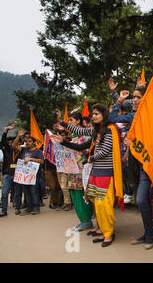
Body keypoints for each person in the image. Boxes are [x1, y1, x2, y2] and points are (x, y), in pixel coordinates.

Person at [58, 104, 123, 247]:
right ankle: (104, 231)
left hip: (106, 173)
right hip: (96, 172)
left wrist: (91, 158)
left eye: (96, 114)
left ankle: (108, 234)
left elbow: (106, 150)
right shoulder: (96, 130)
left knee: (104, 204)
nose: (93, 116)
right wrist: (62, 122)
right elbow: (79, 130)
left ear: (103, 115)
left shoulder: (110, 130)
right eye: (92, 114)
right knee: (97, 203)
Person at [108, 85, 153, 250]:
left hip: (146, 164)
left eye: (138, 97)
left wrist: (134, 143)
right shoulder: (132, 116)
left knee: (143, 199)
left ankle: (150, 235)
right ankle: (147, 234)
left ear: (145, 99)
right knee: (140, 200)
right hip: (133, 166)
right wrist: (120, 100)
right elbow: (112, 118)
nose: (135, 100)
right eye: (134, 97)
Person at [52, 111, 95, 232]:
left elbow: (88, 151)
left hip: (82, 169)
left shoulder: (87, 135)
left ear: (78, 121)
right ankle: (83, 220)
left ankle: (86, 220)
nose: (69, 122)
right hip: (72, 169)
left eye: (71, 120)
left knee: (81, 194)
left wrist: (75, 146)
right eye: (68, 120)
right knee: (75, 194)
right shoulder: (74, 136)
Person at [12, 129, 44, 216]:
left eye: (30, 141)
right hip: (24, 176)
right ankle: (28, 208)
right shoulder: (23, 149)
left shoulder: (38, 151)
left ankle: (36, 208)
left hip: (34, 176)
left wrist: (30, 159)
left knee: (34, 191)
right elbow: (14, 146)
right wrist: (18, 136)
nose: (27, 143)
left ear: (34, 142)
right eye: (26, 141)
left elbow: (41, 161)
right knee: (26, 192)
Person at [0, 124, 18, 217]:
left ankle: (18, 208)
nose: (11, 143)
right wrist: (6, 131)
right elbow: (3, 141)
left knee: (18, 192)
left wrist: (18, 136)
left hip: (19, 174)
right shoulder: (6, 150)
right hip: (8, 174)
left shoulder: (20, 151)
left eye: (13, 142)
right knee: (5, 193)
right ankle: (3, 210)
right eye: (9, 142)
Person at [54, 129, 73, 211]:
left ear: (66, 136)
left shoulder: (69, 144)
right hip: (59, 168)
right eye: (60, 135)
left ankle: (68, 203)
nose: (62, 137)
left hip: (66, 168)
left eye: (63, 135)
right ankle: (65, 202)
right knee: (62, 186)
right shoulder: (55, 145)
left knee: (64, 186)